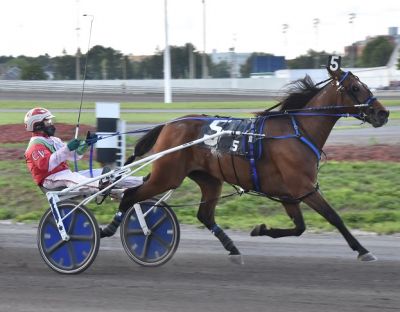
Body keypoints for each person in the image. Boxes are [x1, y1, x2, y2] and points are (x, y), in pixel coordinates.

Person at [24, 107, 143, 193]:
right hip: (50, 180)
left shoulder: (53, 140)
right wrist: (67, 148)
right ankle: (100, 185)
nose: (51, 124)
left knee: (105, 173)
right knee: (76, 179)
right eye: (47, 122)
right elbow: (47, 165)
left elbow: (73, 156)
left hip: (65, 175)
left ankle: (141, 181)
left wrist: (85, 144)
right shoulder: (35, 146)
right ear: (38, 125)